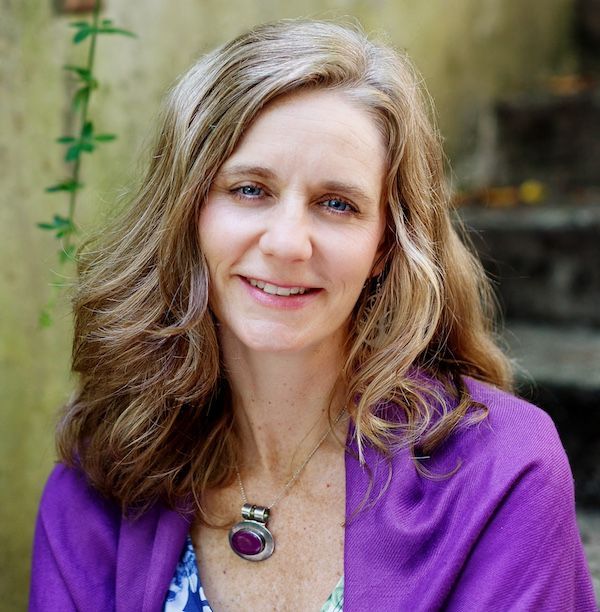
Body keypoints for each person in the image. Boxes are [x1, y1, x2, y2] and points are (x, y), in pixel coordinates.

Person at [30, 19, 596, 611]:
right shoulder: (107, 471)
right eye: (250, 189)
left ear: (385, 245)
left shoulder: (505, 473)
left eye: (337, 204)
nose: (287, 244)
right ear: (187, 213)